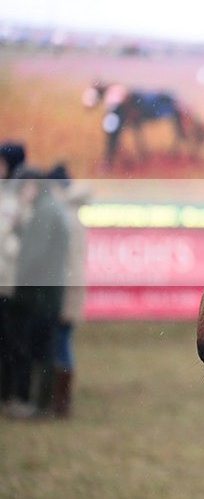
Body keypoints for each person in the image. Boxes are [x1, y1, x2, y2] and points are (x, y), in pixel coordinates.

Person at [5, 167, 69, 419]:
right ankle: (45, 403)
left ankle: (41, 405)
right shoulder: (50, 207)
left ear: (31, 185)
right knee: (44, 348)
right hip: (47, 292)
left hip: (40, 294)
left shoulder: (44, 211)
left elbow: (34, 254)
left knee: (40, 350)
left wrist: (18, 279)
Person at [48, 164, 90, 417]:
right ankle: (60, 399)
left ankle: (60, 401)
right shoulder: (72, 212)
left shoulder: (64, 214)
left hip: (63, 287)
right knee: (63, 340)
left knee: (60, 342)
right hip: (70, 286)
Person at [0, 141, 26, 411]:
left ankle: (10, 394)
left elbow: (16, 244)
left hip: (10, 284)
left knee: (10, 342)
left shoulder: (16, 200)